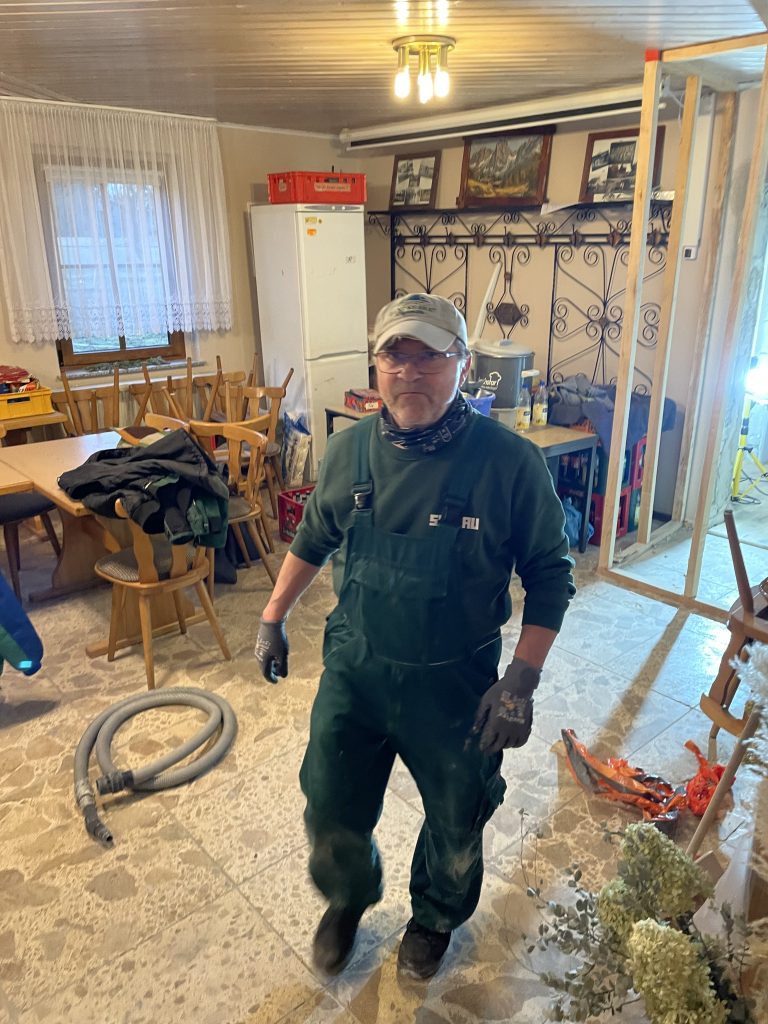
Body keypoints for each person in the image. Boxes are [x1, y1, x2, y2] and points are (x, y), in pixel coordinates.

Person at [255, 292, 574, 980]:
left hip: (455, 682)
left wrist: (521, 680)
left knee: (458, 818)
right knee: (331, 803)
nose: (409, 372)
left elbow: (551, 575)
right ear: (376, 365)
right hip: (357, 668)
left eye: (429, 356)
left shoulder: (511, 463)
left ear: (463, 365)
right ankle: (347, 898)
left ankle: (434, 918)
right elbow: (314, 535)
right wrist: (272, 617)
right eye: (394, 356)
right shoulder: (347, 452)